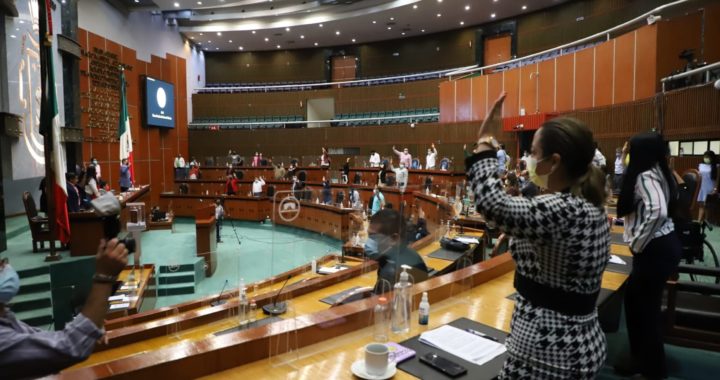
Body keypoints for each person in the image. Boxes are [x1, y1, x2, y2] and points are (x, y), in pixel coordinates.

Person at [467, 93, 609, 378]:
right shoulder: (588, 204)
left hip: (548, 350)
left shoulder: (562, 210)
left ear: (554, 162)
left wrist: (484, 144)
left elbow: (493, 206)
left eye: (533, 152)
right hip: (577, 340)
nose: (529, 160)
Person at [0, 239, 128, 378]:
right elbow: (68, 346)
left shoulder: (5, 317)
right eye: (0, 266)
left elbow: (41, 339)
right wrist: (104, 277)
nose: (6, 266)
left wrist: (93, 328)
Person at [615, 132, 681, 379]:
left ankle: (653, 370)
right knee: (634, 302)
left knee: (646, 310)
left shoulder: (644, 175)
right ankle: (640, 359)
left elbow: (657, 212)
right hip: (664, 246)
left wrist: (638, 243)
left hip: (655, 249)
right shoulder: (659, 170)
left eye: (631, 151)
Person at [364, 209, 428, 294]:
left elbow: (383, 301)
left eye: (374, 236)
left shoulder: (392, 269)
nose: (369, 241)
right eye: (369, 235)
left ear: (394, 238)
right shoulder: (404, 254)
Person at [697, 150, 719, 221]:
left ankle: (705, 221)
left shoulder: (716, 166)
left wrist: (715, 189)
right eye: (705, 156)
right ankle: (699, 221)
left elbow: (717, 179)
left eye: (708, 157)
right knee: (701, 205)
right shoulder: (701, 165)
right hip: (702, 187)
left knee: (707, 206)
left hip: (710, 188)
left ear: (712, 158)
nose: (706, 158)